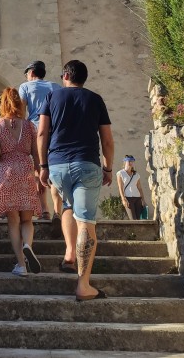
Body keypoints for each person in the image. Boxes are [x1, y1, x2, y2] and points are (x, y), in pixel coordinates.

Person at [37, 60, 115, 301]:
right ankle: (83, 285)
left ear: (65, 76)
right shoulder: (95, 99)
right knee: (86, 222)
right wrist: (108, 168)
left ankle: (70, 254)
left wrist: (42, 166)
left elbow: (42, 133)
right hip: (86, 163)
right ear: (84, 78)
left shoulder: (52, 97)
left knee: (69, 206)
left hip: (58, 165)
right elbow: (107, 140)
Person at [0, 87, 43, 276]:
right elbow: (36, 154)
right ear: (19, 104)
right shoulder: (29, 126)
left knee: (13, 221)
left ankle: (21, 265)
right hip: (25, 170)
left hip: (6, 171)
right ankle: (27, 245)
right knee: (27, 219)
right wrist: (40, 174)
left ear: (2, 103)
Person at [18, 60, 63, 221]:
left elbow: (21, 112)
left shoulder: (25, 87)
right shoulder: (56, 87)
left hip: (36, 130)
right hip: (55, 131)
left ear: (31, 73)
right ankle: (59, 210)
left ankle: (44, 210)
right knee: (56, 169)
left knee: (39, 170)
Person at [117, 155, 145, 220]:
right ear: (124, 162)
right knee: (133, 219)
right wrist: (123, 199)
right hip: (128, 198)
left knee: (138, 219)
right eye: (129, 161)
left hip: (137, 198)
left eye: (132, 161)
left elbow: (139, 188)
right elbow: (120, 187)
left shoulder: (136, 174)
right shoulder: (120, 173)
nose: (130, 163)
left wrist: (143, 200)